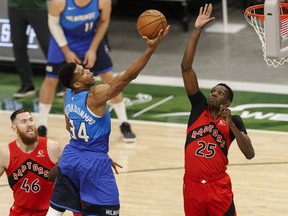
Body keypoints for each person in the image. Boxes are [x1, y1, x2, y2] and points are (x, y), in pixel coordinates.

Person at [45, 25, 169, 216]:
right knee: (109, 209)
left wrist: (87, 148)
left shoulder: (68, 95)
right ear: (78, 83)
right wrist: (151, 48)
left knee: (55, 211)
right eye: (82, 72)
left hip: (71, 158)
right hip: (94, 165)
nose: (87, 70)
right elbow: (128, 76)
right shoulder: (95, 96)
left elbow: (69, 126)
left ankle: (58, 172)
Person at [180, 4, 255, 216]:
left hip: (218, 188)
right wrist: (197, 30)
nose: (214, 93)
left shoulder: (235, 121)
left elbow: (249, 154)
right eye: (213, 90)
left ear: (228, 102)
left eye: (220, 93)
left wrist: (230, 124)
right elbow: (186, 68)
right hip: (192, 186)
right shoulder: (198, 108)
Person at [37, 0, 136, 143]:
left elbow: (104, 22)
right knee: (51, 79)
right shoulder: (59, 2)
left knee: (108, 76)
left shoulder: (102, 1)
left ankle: (124, 123)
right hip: (64, 41)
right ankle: (42, 125)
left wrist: (93, 49)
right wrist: (66, 51)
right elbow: (53, 24)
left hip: (90, 40)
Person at [0, 108, 62, 215]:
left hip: (47, 213)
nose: (29, 124)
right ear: (14, 128)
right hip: (18, 212)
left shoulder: (52, 148)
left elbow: (70, 180)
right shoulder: (6, 153)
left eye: (31, 120)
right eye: (23, 122)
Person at [7, 0, 50, 98]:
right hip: (15, 8)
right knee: (18, 46)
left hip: (37, 7)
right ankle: (26, 84)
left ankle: (60, 83)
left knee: (48, 46)